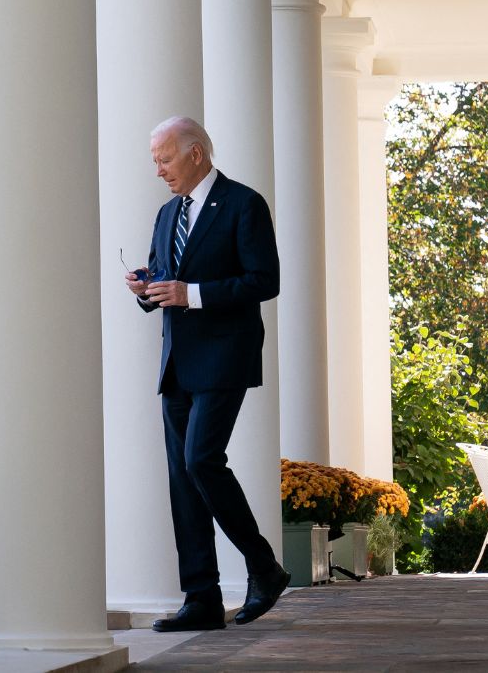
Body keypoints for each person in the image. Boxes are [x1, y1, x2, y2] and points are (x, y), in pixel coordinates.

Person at [125, 116, 290, 632]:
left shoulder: (245, 203)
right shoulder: (165, 213)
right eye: (155, 160)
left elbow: (265, 280)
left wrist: (190, 294)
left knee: (202, 460)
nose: (158, 170)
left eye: (164, 158)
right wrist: (147, 289)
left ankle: (263, 567)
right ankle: (201, 597)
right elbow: (165, 280)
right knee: (182, 476)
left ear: (195, 153)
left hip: (225, 355)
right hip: (177, 359)